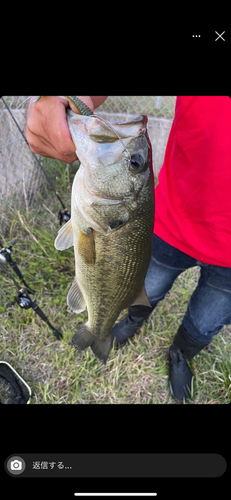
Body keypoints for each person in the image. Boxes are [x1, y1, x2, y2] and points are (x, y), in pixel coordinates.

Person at [27, 96, 231, 402]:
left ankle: (180, 354)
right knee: (144, 287)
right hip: (171, 223)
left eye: (135, 162)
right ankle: (124, 323)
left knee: (204, 322)